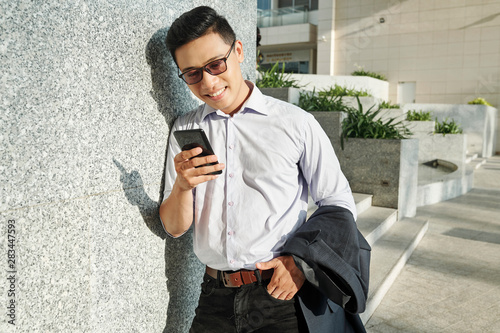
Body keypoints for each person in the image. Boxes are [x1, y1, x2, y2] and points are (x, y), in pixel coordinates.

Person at [160, 6, 368, 333]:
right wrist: (183, 187)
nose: (209, 82)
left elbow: (338, 202)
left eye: (216, 64)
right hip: (214, 297)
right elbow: (174, 228)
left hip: (281, 293)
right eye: (193, 73)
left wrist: (300, 263)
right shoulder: (185, 129)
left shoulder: (295, 124)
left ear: (238, 51)